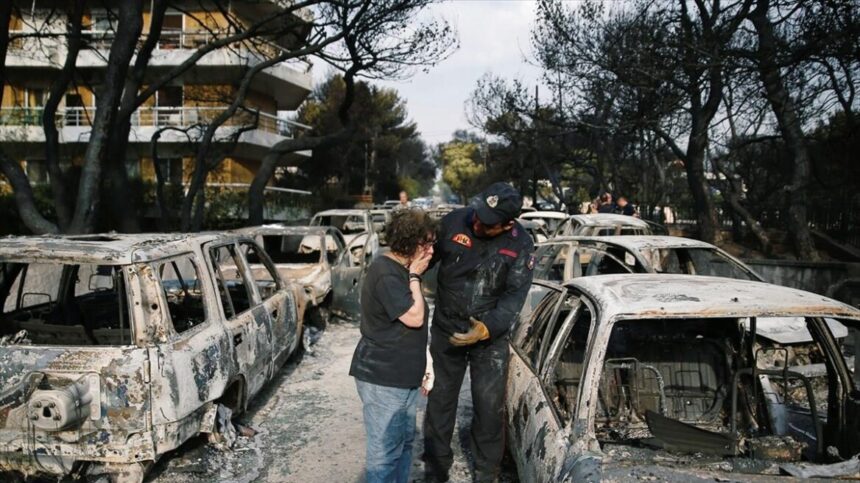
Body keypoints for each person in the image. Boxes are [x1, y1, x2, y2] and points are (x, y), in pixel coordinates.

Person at [423, 182, 535, 482]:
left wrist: (486, 329)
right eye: (477, 212)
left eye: (486, 221)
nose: (476, 221)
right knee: (439, 401)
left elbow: (514, 298)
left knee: (488, 409)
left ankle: (486, 472)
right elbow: (425, 258)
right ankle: (435, 468)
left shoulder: (521, 244)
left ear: (507, 224)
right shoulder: (453, 222)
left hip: (489, 340)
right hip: (447, 328)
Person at [350, 208, 437, 483]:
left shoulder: (400, 269)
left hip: (404, 378)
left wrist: (425, 363)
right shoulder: (387, 273)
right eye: (428, 243)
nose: (432, 250)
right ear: (410, 243)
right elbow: (415, 317)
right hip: (384, 379)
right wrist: (415, 276)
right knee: (384, 455)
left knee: (404, 446)